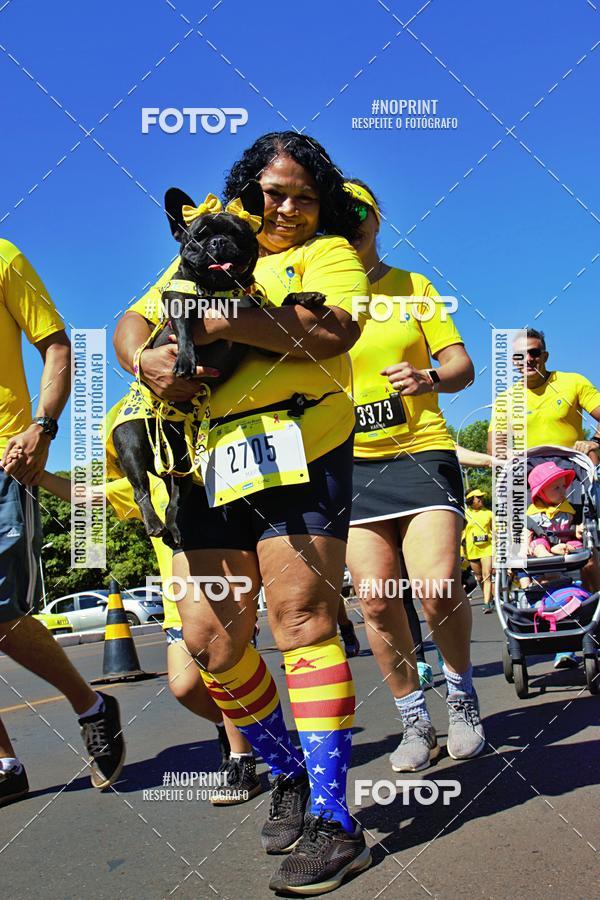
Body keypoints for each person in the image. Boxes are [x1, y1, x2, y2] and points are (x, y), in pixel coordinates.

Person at [111, 133, 372, 894]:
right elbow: (135, 318)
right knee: (209, 641)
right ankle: (287, 769)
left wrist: (220, 323)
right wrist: (145, 359)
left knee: (299, 623)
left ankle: (334, 818)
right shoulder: (216, 239)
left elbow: (331, 331)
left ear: (322, 202)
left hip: (299, 443)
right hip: (203, 458)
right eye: (271, 193)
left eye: (302, 195)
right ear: (246, 193)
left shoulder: (327, 256)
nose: (284, 207)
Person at [37, 425, 261, 805]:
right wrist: (38, 475)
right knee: (184, 687)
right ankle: (236, 729)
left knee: (225, 679)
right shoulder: (146, 485)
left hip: (225, 597)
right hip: (178, 608)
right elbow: (88, 496)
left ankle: (243, 762)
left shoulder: (207, 469)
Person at [343, 180, 485, 773]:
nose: (348, 223)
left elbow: (462, 366)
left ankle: (462, 699)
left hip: (421, 451)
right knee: (375, 603)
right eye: (335, 214)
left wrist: (430, 377)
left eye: (358, 212)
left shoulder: (412, 287)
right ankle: (413, 723)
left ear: (377, 219)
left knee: (434, 586)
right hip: (348, 463)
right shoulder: (310, 299)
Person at [0, 240, 124, 807]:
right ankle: (5, 764)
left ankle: (92, 705)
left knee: (2, 612)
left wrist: (41, 429)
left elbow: (56, 347)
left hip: (4, 457)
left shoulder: (4, 258)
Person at [488, 327, 600, 668]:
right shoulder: (506, 400)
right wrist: (505, 456)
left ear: (545, 355)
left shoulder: (571, 383)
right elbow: (496, 447)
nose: (528, 360)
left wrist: (594, 442)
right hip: (528, 489)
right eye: (520, 356)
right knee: (539, 561)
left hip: (573, 481)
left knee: (588, 556)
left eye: (534, 353)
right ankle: (559, 631)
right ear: (513, 362)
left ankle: (592, 628)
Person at [463, 489, 494, 613]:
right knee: (480, 577)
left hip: (487, 548)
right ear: (471, 500)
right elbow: (462, 533)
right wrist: (461, 551)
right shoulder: (465, 514)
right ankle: (490, 598)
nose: (481, 499)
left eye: (481, 497)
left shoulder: (489, 513)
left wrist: (497, 551)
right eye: (478, 497)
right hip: (472, 550)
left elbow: (496, 532)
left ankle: (487, 604)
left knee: (487, 576)